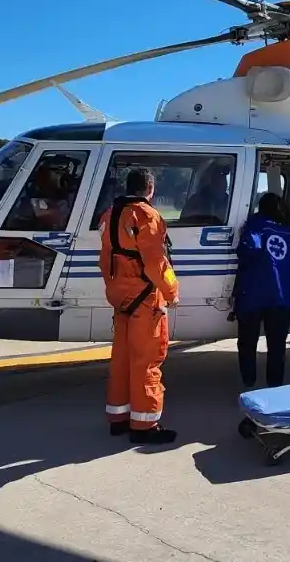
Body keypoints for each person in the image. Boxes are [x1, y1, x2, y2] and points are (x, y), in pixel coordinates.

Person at [98, 167, 180, 444]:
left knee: (121, 360)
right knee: (147, 360)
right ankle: (144, 426)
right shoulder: (146, 216)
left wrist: (115, 287)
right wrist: (171, 291)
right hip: (145, 298)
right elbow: (156, 262)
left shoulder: (110, 216)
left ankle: (119, 419)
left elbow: (105, 259)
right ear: (150, 188)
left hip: (120, 296)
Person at [231, 192, 290, 389]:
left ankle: (249, 382)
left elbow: (248, 251)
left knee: (247, 343)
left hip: (254, 295)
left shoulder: (255, 226)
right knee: (277, 347)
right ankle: (274, 387)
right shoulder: (289, 233)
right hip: (281, 297)